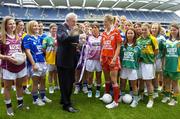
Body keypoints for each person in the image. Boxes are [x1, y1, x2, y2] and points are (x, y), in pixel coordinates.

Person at [56, 13, 86, 113]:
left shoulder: (71, 29)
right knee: (66, 82)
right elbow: (63, 39)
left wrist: (79, 43)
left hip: (70, 59)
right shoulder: (61, 27)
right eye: (73, 21)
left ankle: (64, 98)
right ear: (68, 20)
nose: (75, 23)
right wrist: (79, 36)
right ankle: (67, 105)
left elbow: (71, 43)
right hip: (63, 60)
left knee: (70, 81)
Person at [0, 16, 29, 116]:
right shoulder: (1, 37)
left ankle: (20, 104)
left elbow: (20, 51)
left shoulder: (18, 37)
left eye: (13, 24)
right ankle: (9, 107)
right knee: (7, 87)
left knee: (19, 85)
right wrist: (7, 58)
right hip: (8, 66)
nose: (12, 26)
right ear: (5, 25)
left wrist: (24, 55)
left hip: (20, 66)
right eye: (10, 24)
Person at [22, 20, 52, 106]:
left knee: (43, 80)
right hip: (35, 62)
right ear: (30, 27)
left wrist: (46, 48)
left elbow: (42, 50)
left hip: (42, 61)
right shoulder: (27, 37)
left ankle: (43, 97)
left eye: (37, 26)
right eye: (34, 26)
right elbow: (27, 52)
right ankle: (35, 99)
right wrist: (33, 64)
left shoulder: (39, 37)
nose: (36, 27)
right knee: (35, 82)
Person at [100, 14, 122, 109]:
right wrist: (101, 56)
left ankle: (115, 102)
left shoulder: (116, 32)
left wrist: (114, 58)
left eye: (105, 21)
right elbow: (103, 46)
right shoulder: (104, 33)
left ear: (110, 22)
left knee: (114, 80)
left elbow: (118, 46)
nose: (104, 23)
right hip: (104, 58)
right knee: (107, 79)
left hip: (113, 59)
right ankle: (106, 95)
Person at [137, 23, 159, 108]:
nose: (143, 31)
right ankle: (141, 95)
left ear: (149, 29)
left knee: (148, 82)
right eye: (142, 30)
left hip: (148, 64)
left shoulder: (153, 39)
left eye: (145, 29)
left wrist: (151, 58)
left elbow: (156, 51)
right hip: (140, 63)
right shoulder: (138, 39)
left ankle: (151, 99)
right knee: (140, 80)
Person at [120, 28, 141, 108]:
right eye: (128, 33)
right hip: (124, 68)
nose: (130, 35)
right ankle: (121, 96)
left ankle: (135, 100)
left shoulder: (138, 46)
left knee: (134, 85)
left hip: (133, 69)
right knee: (123, 83)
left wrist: (134, 64)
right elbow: (121, 57)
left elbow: (139, 58)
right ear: (126, 35)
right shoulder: (122, 45)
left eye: (131, 33)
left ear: (134, 34)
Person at [161, 23, 180, 106]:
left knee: (175, 83)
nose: (172, 31)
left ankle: (175, 99)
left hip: (176, 66)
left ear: (178, 30)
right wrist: (163, 64)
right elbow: (164, 54)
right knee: (167, 81)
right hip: (167, 65)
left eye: (174, 30)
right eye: (171, 30)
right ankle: (167, 96)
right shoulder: (166, 41)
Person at [86, 22, 102, 98]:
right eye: (93, 27)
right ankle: (89, 90)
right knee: (90, 77)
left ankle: (98, 90)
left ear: (99, 29)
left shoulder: (102, 37)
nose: (94, 29)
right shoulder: (88, 37)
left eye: (96, 27)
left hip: (99, 60)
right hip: (90, 59)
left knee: (98, 76)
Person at [42, 23, 59, 94]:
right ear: (50, 30)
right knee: (50, 73)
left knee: (56, 73)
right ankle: (51, 87)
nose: (54, 30)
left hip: (58, 58)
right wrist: (47, 55)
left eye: (55, 29)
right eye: (53, 29)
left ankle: (56, 85)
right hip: (50, 58)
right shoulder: (46, 38)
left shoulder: (59, 38)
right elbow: (43, 48)